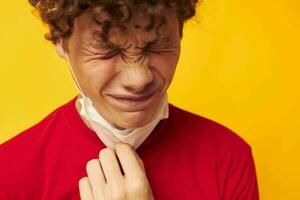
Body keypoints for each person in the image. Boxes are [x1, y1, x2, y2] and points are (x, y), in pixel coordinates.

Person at [0, 0, 259, 199]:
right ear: (60, 41)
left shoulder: (228, 158)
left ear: (179, 33)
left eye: (156, 46)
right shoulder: (9, 173)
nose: (139, 79)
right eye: (107, 49)